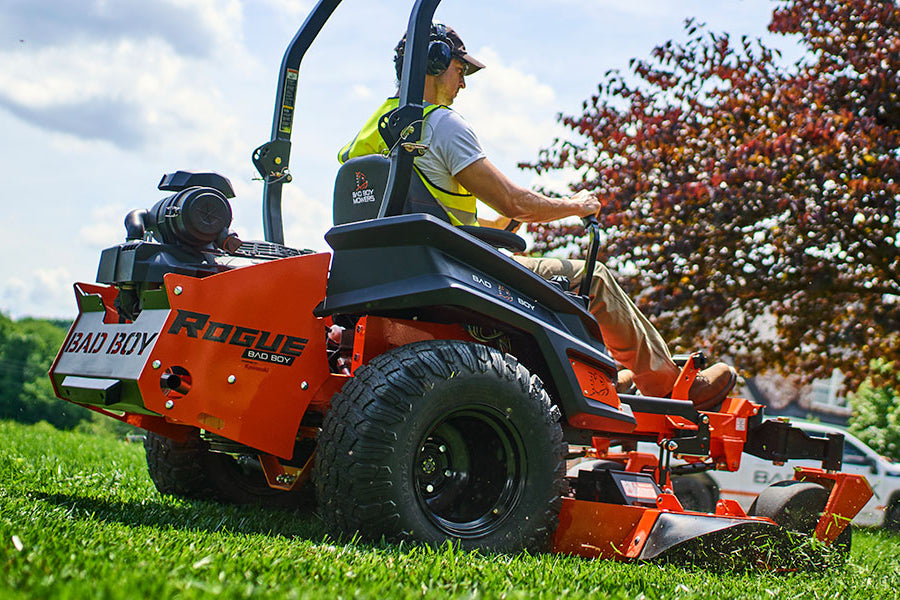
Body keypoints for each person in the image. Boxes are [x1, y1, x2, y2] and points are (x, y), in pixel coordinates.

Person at [338, 24, 737, 410]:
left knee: (522, 255)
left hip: (400, 272)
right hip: (457, 270)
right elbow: (514, 201)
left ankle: (604, 374)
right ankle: (666, 385)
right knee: (592, 278)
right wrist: (575, 205)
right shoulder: (440, 123)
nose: (463, 84)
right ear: (435, 60)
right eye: (461, 70)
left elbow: (418, 212)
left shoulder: (367, 133)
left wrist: (502, 227)